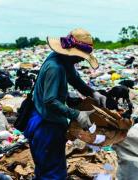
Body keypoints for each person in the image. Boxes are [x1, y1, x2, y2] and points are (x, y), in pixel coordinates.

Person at [24, 28, 106, 180]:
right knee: (52, 174)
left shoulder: (62, 59)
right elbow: (50, 101)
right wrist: (76, 114)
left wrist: (92, 92)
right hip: (46, 125)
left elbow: (75, 80)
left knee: (47, 169)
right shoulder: (55, 68)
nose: (82, 60)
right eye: (81, 56)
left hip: (46, 120)